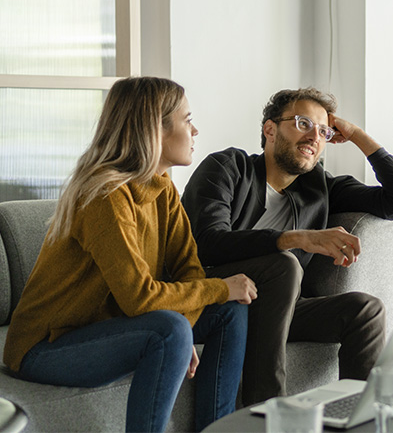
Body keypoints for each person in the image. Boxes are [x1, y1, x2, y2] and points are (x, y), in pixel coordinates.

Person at [3, 77, 258, 432]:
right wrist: (191, 318)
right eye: (187, 119)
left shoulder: (162, 187)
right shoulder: (106, 196)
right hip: (45, 347)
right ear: (156, 129)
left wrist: (186, 327)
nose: (195, 130)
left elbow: (190, 269)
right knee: (171, 327)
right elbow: (139, 298)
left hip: (108, 326)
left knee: (229, 310)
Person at [181, 87, 393, 405]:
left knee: (366, 310)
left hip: (278, 307)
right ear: (270, 129)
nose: (314, 137)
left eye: (323, 131)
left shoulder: (318, 187)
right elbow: (207, 244)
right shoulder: (226, 167)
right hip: (216, 300)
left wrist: (358, 136)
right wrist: (296, 238)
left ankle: (358, 416)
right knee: (284, 263)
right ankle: (268, 410)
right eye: (302, 123)